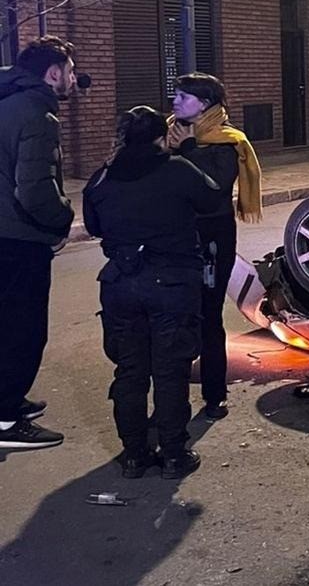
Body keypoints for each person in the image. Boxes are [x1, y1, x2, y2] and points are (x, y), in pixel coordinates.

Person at [84, 106, 223, 478]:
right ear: (161, 137)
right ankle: (174, 455)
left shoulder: (104, 177)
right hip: (172, 284)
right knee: (170, 370)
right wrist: (188, 150)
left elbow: (94, 224)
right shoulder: (176, 169)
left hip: (120, 285)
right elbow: (213, 199)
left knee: (129, 371)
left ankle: (134, 455)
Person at [0, 36, 80, 450]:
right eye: (68, 71)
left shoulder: (6, 99)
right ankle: (6, 420)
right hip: (18, 239)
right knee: (23, 329)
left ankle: (6, 400)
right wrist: (62, 219)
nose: (72, 78)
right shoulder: (36, 113)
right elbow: (34, 190)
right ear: (52, 73)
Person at [167, 73, 262, 420]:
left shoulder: (225, 141)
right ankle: (170, 398)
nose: (175, 101)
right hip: (175, 236)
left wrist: (188, 149)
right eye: (175, 94)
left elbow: (215, 188)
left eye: (183, 96)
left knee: (208, 315)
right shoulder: (170, 135)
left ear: (205, 104)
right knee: (175, 317)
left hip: (212, 237)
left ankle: (214, 394)